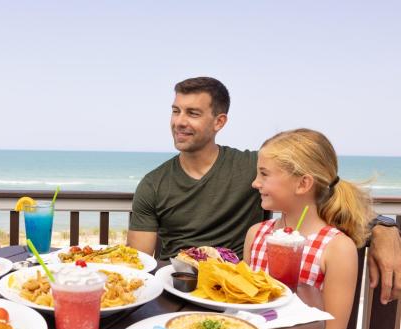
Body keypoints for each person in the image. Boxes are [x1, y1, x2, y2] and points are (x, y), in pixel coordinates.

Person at [127, 76, 401, 304]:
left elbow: (323, 185)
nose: (179, 121)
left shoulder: (254, 168)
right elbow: (138, 264)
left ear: (219, 122)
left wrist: (383, 227)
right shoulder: (153, 184)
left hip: (238, 300)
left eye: (193, 113)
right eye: (176, 111)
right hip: (176, 295)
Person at [244, 128, 367, 329]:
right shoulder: (256, 234)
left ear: (303, 184)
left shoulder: (337, 248)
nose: (255, 182)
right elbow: (245, 304)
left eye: (264, 174)